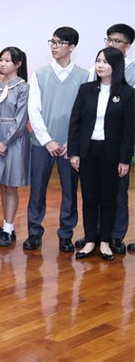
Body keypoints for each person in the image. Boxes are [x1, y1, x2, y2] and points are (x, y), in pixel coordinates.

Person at [23, 27, 89, 253]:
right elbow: (34, 110)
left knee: (70, 191)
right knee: (37, 189)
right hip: (42, 144)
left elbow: (85, 113)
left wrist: (73, 141)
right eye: (52, 41)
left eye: (60, 43)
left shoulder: (85, 76)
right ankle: (34, 233)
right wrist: (47, 140)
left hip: (71, 145)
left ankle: (66, 235)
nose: (54, 46)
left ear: (72, 47)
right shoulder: (40, 74)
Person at [69, 47, 134, 261]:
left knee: (108, 198)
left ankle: (105, 242)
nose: (100, 65)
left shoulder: (127, 93)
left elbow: (128, 130)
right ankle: (89, 241)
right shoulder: (85, 89)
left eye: (105, 62)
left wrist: (125, 159)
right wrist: (74, 153)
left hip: (111, 153)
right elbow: (75, 123)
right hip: (88, 151)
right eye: (98, 60)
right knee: (89, 197)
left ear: (115, 66)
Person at [0, 47, 30, 247]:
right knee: (3, 185)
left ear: (18, 64)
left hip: (15, 142)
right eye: (1, 60)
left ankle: (9, 227)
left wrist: (4, 142)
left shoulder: (23, 87)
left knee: (11, 186)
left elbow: (20, 121)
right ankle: (5, 226)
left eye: (7, 60)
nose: (2, 63)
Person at [103, 24, 135, 254]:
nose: (111, 44)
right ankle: (96, 235)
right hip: (97, 142)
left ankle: (116, 236)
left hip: (121, 141)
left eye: (116, 41)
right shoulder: (99, 68)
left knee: (118, 191)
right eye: (108, 40)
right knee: (95, 191)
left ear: (128, 46)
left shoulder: (132, 72)